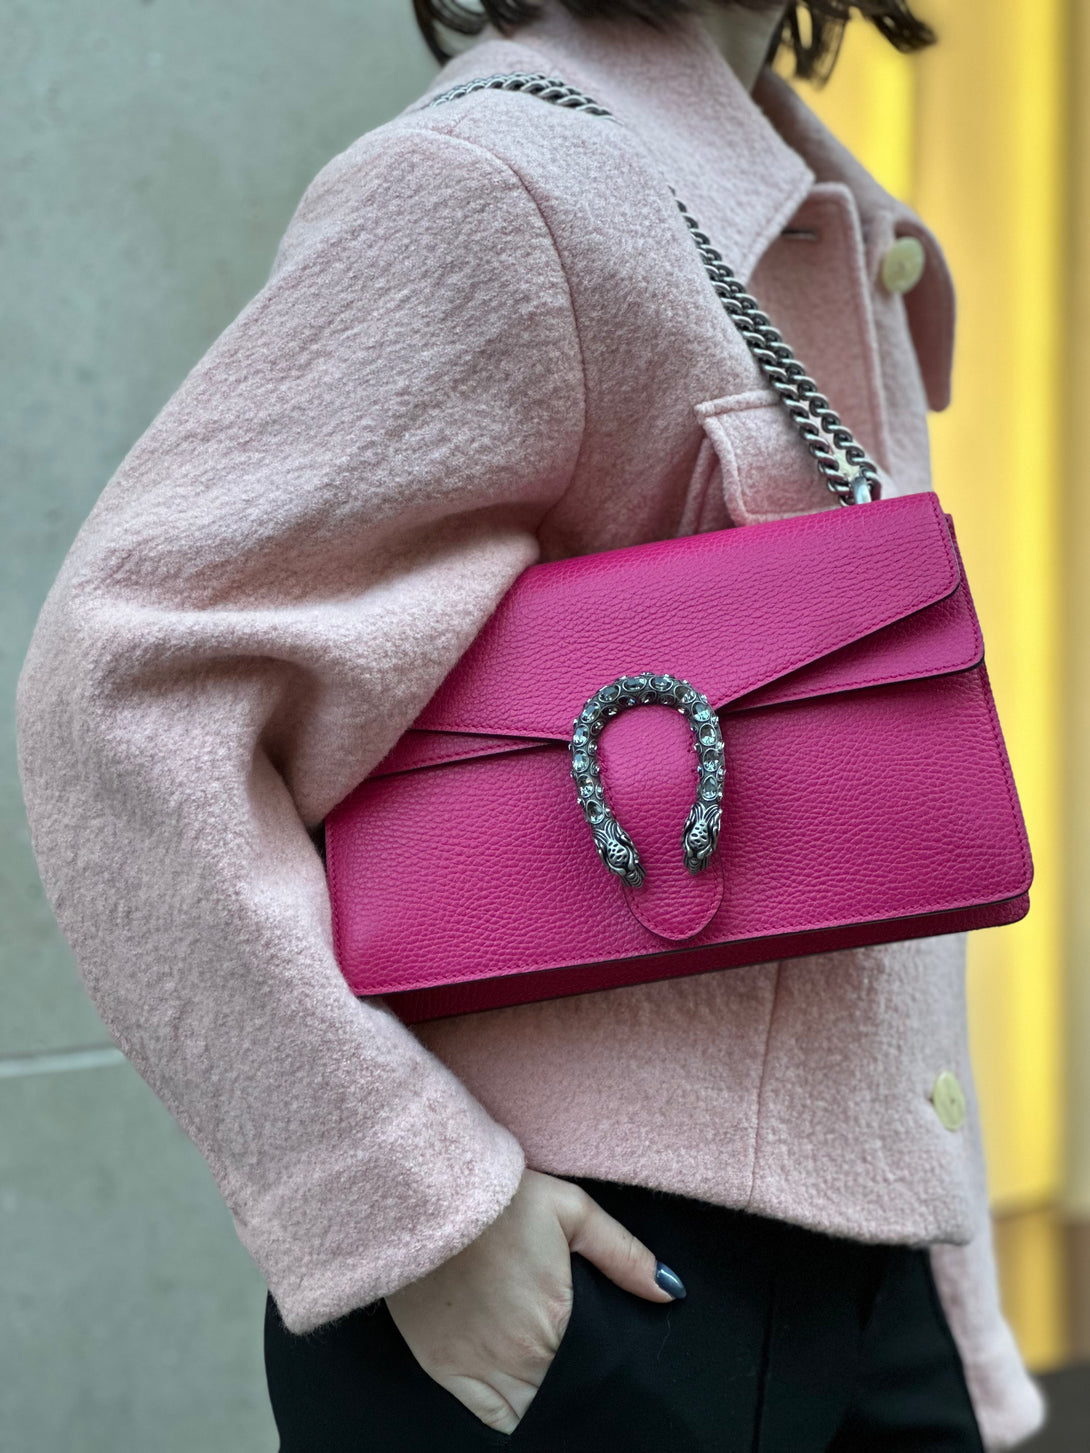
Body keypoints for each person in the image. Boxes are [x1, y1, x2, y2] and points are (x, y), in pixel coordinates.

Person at [15, 1, 1047, 1448]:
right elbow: (128, 687)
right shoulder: (501, 188)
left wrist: (950, 1325)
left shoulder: (797, 203)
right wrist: (418, 1208)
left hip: (858, 1286)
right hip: (600, 1285)